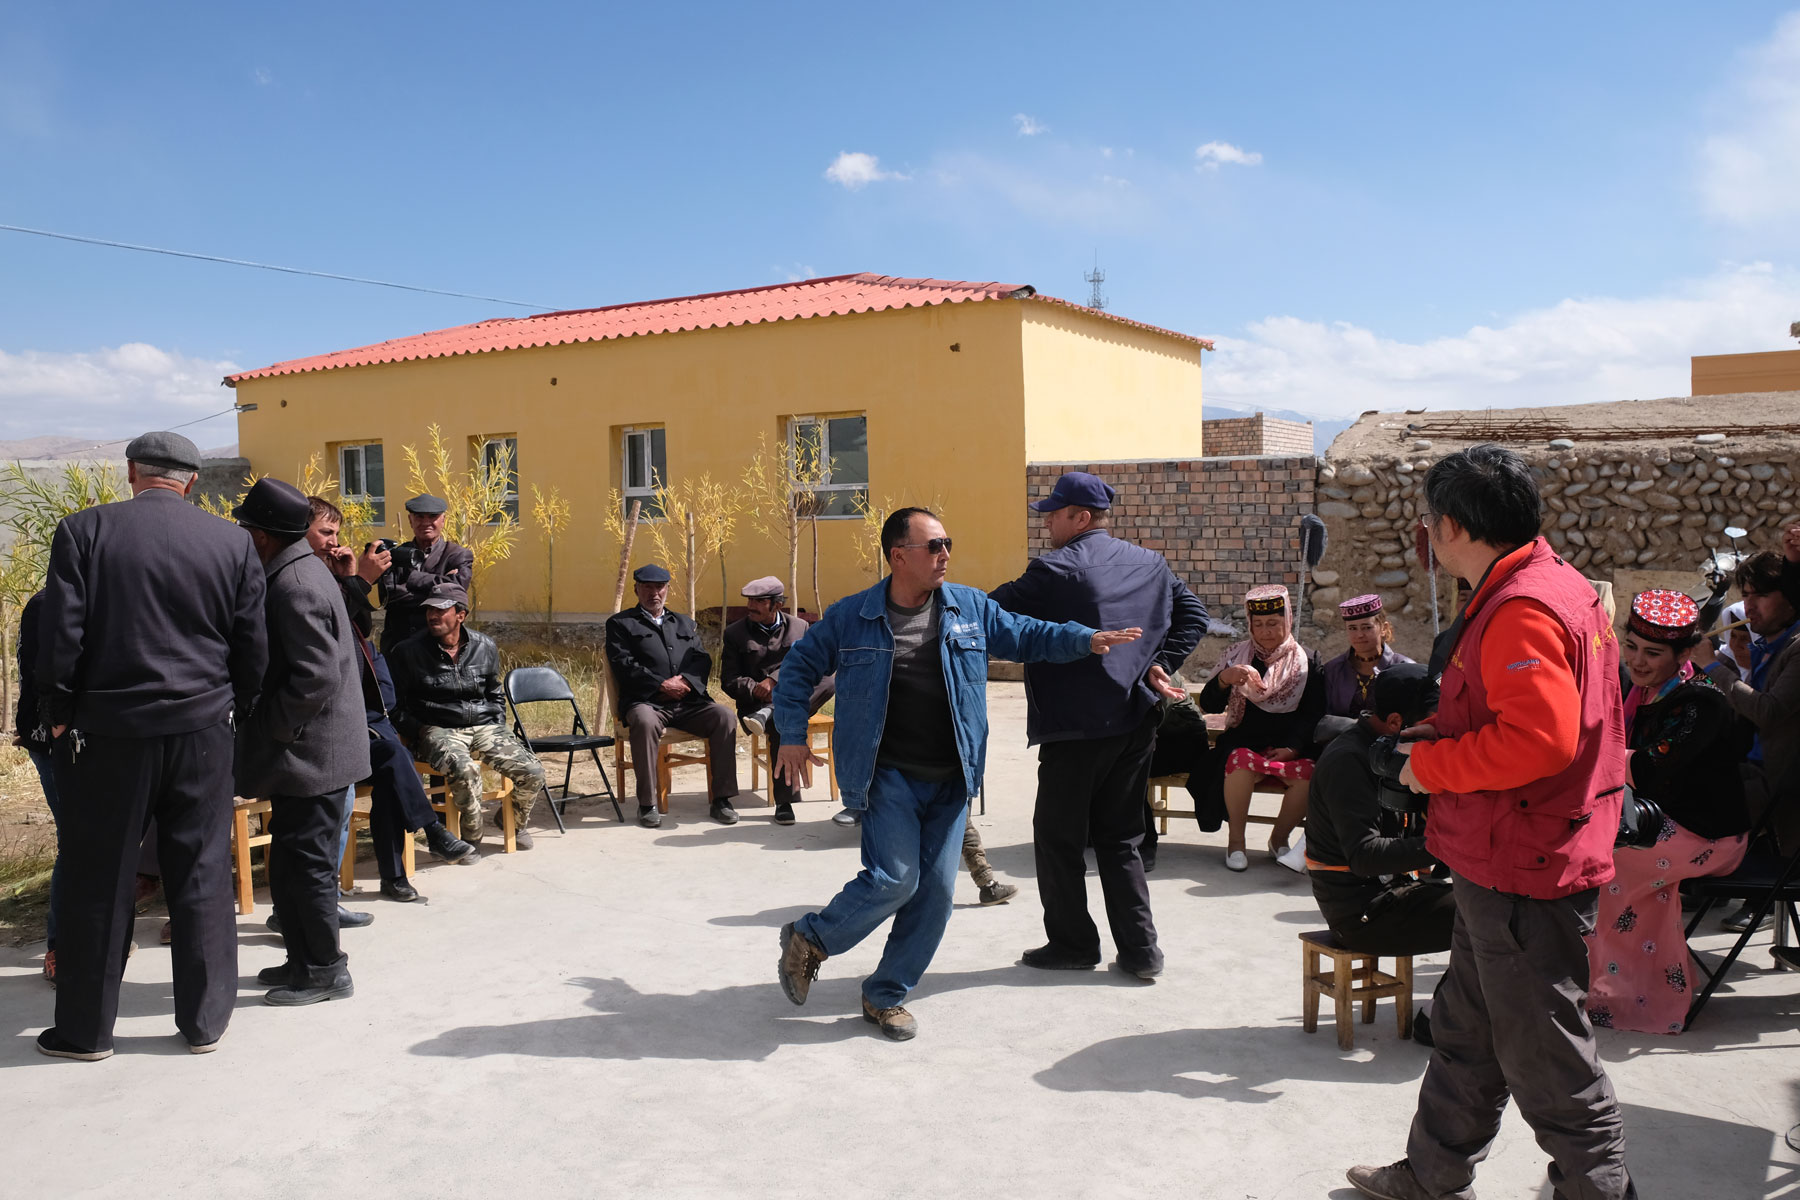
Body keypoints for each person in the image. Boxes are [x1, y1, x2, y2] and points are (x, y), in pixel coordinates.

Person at [1347, 443, 1634, 1200]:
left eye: (1427, 525)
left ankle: (1598, 1191)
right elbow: (1520, 714)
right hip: (1504, 857)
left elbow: (1538, 740)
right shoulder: (1552, 585)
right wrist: (1435, 736)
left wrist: (1426, 768)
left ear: (1448, 526)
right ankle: (1433, 1176)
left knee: (1550, 1063)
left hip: (1524, 865)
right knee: (1466, 1036)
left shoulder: (1521, 607)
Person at [772, 507, 1141, 1040]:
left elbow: (1026, 634)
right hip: (888, 775)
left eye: (949, 543)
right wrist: (791, 733)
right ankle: (811, 937)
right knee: (894, 880)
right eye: (934, 546)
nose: (946, 554)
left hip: (951, 779)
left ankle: (885, 996)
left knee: (937, 895)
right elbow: (800, 666)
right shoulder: (854, 616)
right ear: (899, 556)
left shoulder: (969, 606)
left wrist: (1084, 639)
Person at [33, 432, 267, 1060]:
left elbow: (61, 636)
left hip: (111, 734)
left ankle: (85, 1032)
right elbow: (253, 646)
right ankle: (204, 1023)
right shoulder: (233, 542)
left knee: (98, 878)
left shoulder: (84, 531)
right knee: (202, 872)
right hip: (203, 732)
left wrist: (57, 715)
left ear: (131, 471)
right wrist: (232, 711)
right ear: (191, 480)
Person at [989, 470, 1206, 979]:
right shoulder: (1151, 562)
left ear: (1080, 517)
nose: (1047, 525)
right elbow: (1193, 615)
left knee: (1058, 838)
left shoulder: (1054, 571)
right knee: (1121, 838)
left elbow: (990, 613)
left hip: (1074, 728)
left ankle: (1073, 944)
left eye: (1054, 515)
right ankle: (1140, 952)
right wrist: (1161, 663)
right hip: (1135, 719)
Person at [233, 478, 371, 1007]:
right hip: (310, 752)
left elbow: (314, 677)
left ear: (264, 536)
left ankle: (325, 970)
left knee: (307, 866)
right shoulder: (297, 570)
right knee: (290, 862)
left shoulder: (296, 585)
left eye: (248, 527)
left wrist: (274, 726)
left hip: (313, 754)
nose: (244, 535)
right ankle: (300, 958)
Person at [1588, 590, 1750, 1035]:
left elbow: (1648, 766)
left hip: (1709, 837)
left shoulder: (1699, 702)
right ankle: (1634, 994)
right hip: (1663, 823)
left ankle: (1620, 994)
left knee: (1599, 861)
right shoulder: (1644, 691)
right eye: (1633, 647)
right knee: (1607, 858)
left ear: (1682, 654)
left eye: (1653, 653)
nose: (1638, 661)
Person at [305, 497, 476, 901]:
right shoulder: (302, 574)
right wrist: (363, 580)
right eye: (325, 533)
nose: (334, 543)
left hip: (369, 693)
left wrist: (352, 579)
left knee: (394, 764)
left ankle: (396, 874)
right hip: (338, 704)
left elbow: (363, 621)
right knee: (395, 761)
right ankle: (430, 834)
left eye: (335, 534)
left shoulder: (455, 554)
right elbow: (385, 601)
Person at [1305, 663, 1454, 961]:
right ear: (1396, 721)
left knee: (1495, 902)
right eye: (1429, 722)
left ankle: (1455, 1004)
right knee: (1492, 919)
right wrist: (1451, 845)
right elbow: (1366, 856)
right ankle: (1449, 1006)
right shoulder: (1348, 761)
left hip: (1398, 891)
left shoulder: (1387, 749)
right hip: (1362, 914)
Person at [1689, 543, 1800, 933]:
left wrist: (1710, 667)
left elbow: (1768, 712)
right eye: (1745, 596)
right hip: (1758, 778)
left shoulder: (1797, 647)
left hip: (1778, 796)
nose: (1749, 608)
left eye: (1761, 595)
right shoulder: (1772, 645)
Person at [387, 583, 550, 849]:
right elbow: (394, 706)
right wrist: (419, 730)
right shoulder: (408, 652)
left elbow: (494, 693)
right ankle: (471, 837)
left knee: (533, 771)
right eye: (429, 610)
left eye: (441, 610)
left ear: (461, 614)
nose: (432, 616)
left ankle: (513, 821)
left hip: (485, 726)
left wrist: (498, 725)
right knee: (465, 771)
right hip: (437, 728)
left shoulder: (485, 646)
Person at [1192, 584, 1324, 871]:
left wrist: (1292, 748)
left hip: (1288, 748)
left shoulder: (1307, 662)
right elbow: (1210, 705)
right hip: (1245, 744)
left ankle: (1278, 839)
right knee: (1237, 763)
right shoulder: (1237, 657)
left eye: (1274, 624)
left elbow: (1313, 714)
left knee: (1308, 778)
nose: (1266, 631)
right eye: (1259, 624)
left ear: (1287, 621)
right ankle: (1236, 843)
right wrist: (1224, 679)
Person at [606, 564, 742, 827]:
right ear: (636, 589)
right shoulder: (620, 624)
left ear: (667, 589)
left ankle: (722, 800)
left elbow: (701, 659)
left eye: (659, 587)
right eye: (647, 587)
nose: (654, 593)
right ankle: (647, 804)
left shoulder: (684, 623)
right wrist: (661, 684)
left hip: (687, 702)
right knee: (644, 722)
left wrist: (686, 681)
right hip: (647, 702)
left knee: (724, 716)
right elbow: (623, 663)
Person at [720, 575, 834, 825]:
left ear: (777, 605)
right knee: (786, 722)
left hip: (791, 699)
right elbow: (728, 679)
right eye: (750, 600)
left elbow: (812, 665)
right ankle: (785, 802)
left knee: (830, 678)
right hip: (754, 708)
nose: (752, 606)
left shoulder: (800, 628)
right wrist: (755, 688)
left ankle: (775, 709)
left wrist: (775, 680)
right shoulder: (734, 632)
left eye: (759, 601)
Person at [15, 590, 63, 985]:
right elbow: (48, 676)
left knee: (86, 841)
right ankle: (60, 946)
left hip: (52, 737)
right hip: (56, 741)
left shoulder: (46, 601)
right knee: (79, 842)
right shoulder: (54, 605)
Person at [377, 493, 473, 654]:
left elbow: (455, 594)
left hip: (437, 647)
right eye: (419, 517)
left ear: (443, 520)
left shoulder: (457, 555)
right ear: (410, 520)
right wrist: (439, 588)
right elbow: (389, 597)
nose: (426, 522)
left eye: (433, 517)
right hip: (397, 644)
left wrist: (411, 579)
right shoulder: (396, 553)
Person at [1321, 594, 1414, 719]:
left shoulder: (1405, 668)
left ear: (1383, 628)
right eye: (1352, 628)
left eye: (1367, 627)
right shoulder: (1333, 670)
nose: (1359, 635)